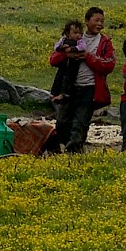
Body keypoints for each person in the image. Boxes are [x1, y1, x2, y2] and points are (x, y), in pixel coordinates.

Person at [46, 18, 96, 154]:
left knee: (79, 123)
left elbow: (82, 48)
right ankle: (55, 93)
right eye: (75, 33)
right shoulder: (63, 41)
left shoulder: (81, 42)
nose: (78, 35)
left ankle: (74, 150)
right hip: (65, 69)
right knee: (62, 122)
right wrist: (64, 51)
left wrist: (74, 50)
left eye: (80, 33)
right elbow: (54, 56)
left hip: (79, 79)